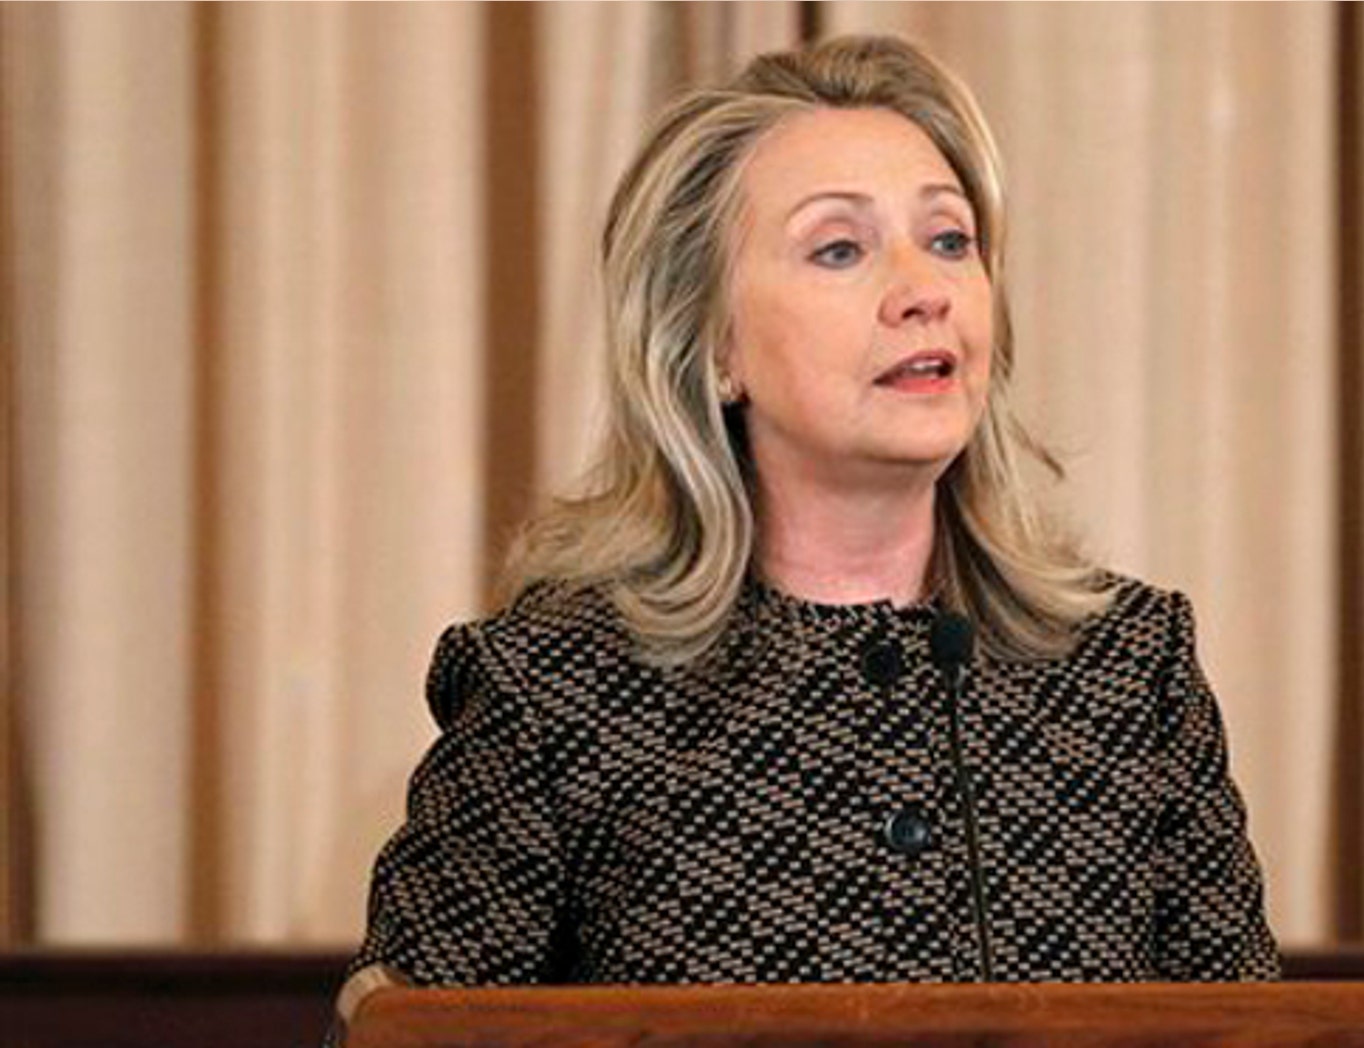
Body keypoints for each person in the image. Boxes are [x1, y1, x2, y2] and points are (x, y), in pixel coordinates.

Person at [331, 32, 1277, 1035]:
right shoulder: (557, 690)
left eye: (948, 240)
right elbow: (405, 1034)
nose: (924, 290)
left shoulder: (1129, 669)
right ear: (713, 345)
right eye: (839, 249)